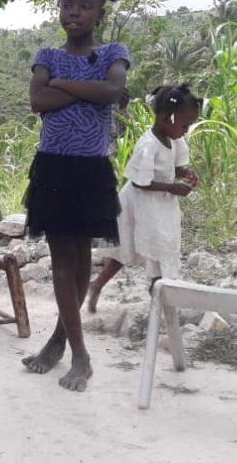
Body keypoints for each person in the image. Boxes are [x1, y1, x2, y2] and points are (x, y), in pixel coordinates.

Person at [20, 0, 128, 392]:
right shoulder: (46, 54)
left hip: (91, 169)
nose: (75, 12)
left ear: (100, 11)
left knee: (82, 261)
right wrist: (91, 89)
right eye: (68, 5)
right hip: (54, 168)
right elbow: (37, 101)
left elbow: (113, 90)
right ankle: (80, 355)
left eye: (85, 5)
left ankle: (59, 342)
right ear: (59, 7)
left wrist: (63, 86)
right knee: (65, 264)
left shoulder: (113, 52)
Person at [88, 84, 202, 313]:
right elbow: (141, 181)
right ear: (164, 118)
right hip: (139, 202)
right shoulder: (148, 146)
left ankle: (159, 298)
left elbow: (173, 166)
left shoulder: (174, 139)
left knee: (160, 249)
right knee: (130, 250)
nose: (186, 130)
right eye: (184, 125)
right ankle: (103, 287)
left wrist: (185, 174)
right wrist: (172, 187)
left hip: (159, 205)